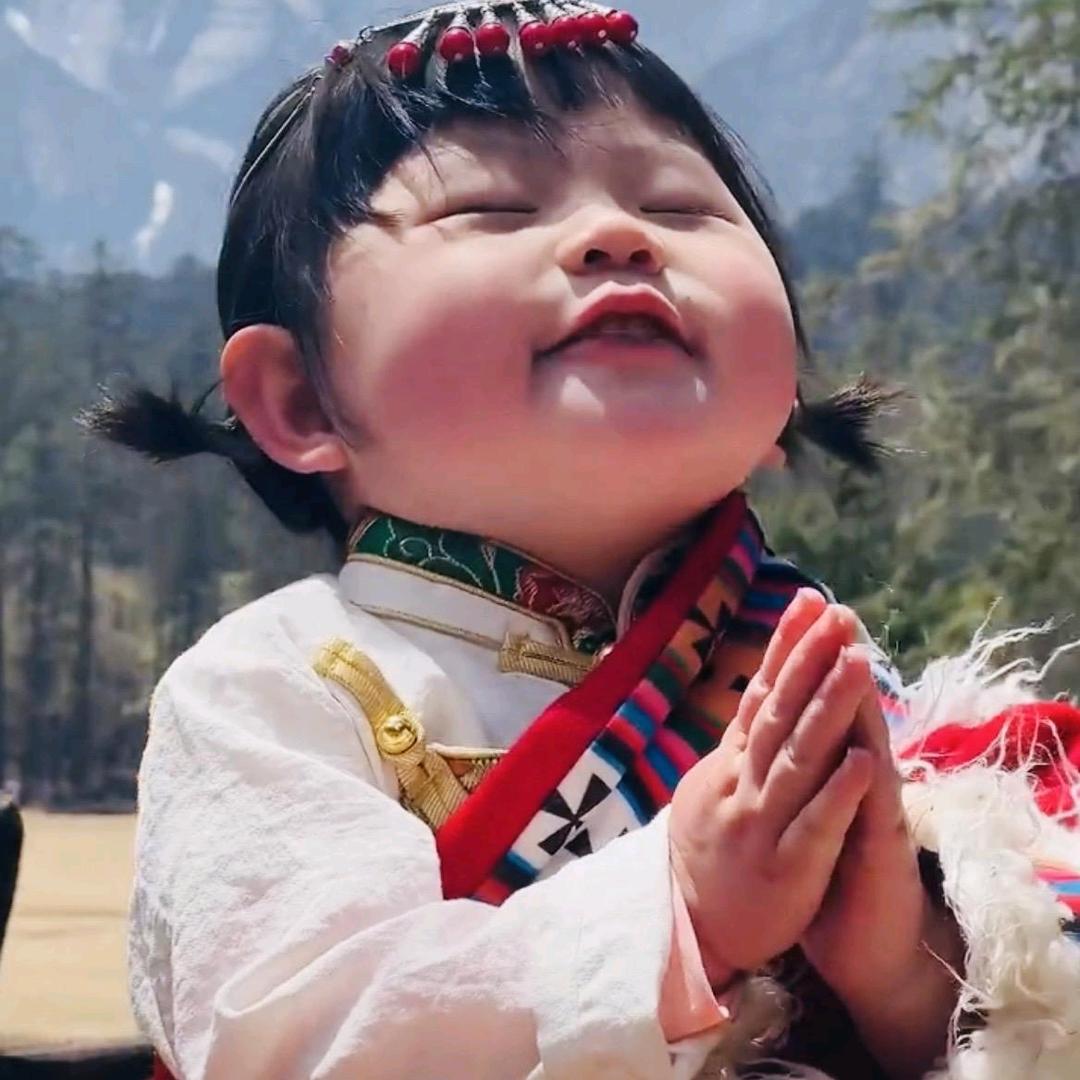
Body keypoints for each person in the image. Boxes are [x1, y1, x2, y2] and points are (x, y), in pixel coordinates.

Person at [88, 3, 1080, 1077]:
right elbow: (284, 1041)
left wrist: (897, 968)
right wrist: (677, 915)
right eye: (495, 206)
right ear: (299, 401)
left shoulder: (814, 661)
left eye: (680, 205)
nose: (621, 235)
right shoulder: (273, 688)